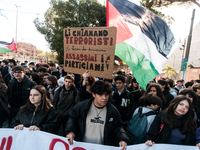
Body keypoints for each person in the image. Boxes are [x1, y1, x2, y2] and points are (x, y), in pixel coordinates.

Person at [65, 81, 130, 150]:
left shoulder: (113, 111)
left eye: (106, 95)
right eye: (100, 95)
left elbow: (118, 127)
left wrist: (122, 139)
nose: (104, 98)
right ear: (93, 94)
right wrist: (70, 131)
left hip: (102, 147)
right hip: (82, 147)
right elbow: (72, 118)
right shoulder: (82, 107)